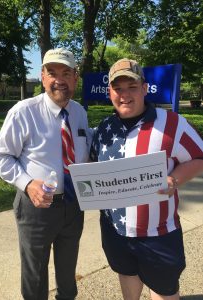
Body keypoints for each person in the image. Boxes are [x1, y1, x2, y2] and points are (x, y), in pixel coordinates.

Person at [90, 58, 203, 300]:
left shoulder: (172, 124)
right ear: (109, 92)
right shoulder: (103, 128)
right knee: (126, 273)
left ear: (144, 88)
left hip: (158, 232)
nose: (124, 95)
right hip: (115, 229)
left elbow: (199, 157)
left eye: (131, 87)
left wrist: (174, 179)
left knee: (164, 289)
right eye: (118, 88)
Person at [0, 48, 92, 300]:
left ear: (75, 78)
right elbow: (0, 156)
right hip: (36, 208)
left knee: (68, 274)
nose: (59, 79)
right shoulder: (23, 112)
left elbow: (83, 151)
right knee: (35, 276)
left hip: (73, 205)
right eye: (52, 72)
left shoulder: (79, 112)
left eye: (66, 73)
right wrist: (27, 184)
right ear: (43, 77)